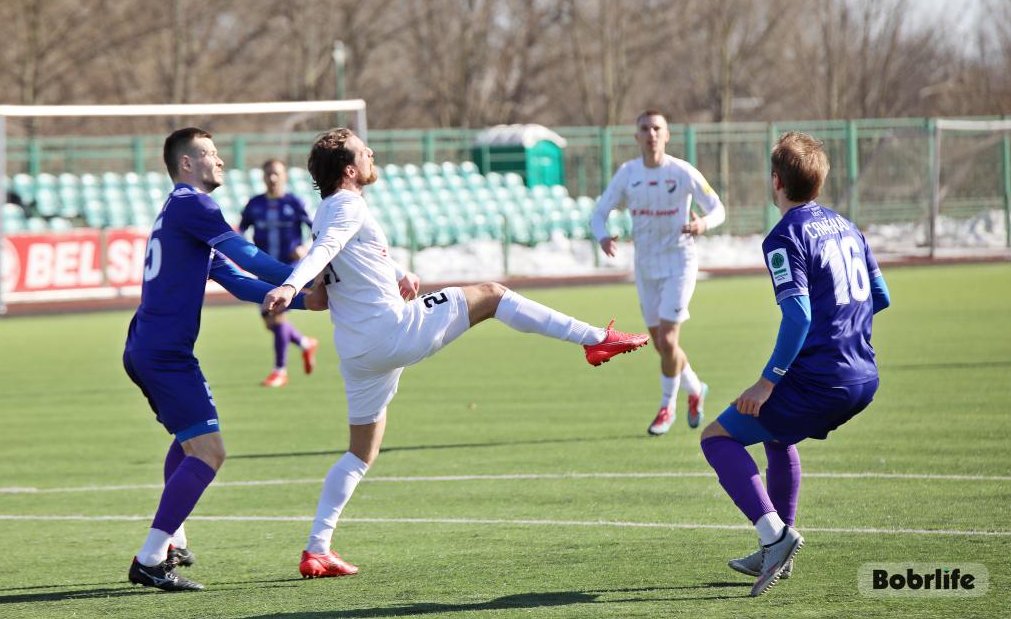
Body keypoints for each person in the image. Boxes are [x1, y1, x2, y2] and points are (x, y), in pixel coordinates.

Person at [262, 128, 651, 579]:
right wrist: (291, 284)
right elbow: (325, 250)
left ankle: (317, 548)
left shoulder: (327, 209)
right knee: (492, 294)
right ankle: (592, 337)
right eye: (361, 149)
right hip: (393, 331)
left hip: (357, 352)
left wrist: (396, 271)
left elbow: (340, 265)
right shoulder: (348, 205)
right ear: (350, 170)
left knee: (359, 454)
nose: (370, 151)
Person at [123, 127, 325, 592]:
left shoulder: (180, 213)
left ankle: (171, 540)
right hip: (164, 353)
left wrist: (301, 301)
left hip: (149, 346)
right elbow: (247, 254)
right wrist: (303, 279)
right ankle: (150, 559)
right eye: (209, 153)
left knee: (190, 443)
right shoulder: (195, 205)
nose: (220, 161)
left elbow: (235, 280)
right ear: (186, 164)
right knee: (211, 453)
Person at [699, 132, 890, 597]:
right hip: (864, 373)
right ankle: (775, 554)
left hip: (823, 379)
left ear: (775, 181)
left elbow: (799, 313)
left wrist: (768, 381)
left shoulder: (784, 236)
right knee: (777, 434)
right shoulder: (848, 226)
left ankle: (775, 537)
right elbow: (880, 298)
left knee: (716, 438)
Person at [591, 111, 725, 436]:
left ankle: (668, 408)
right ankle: (695, 389)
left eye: (657, 129)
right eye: (644, 129)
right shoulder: (628, 173)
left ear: (667, 135)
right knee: (662, 346)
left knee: (667, 340)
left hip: (679, 262)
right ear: (636, 137)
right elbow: (598, 213)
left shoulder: (681, 172)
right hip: (646, 267)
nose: (651, 134)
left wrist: (702, 224)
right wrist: (603, 236)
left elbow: (718, 208)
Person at [239, 159, 318, 388]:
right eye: (268, 174)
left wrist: (305, 248)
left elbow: (317, 229)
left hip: (288, 268)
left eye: (276, 174)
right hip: (263, 268)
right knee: (270, 322)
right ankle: (304, 343)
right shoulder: (255, 204)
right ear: (263, 177)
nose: (272, 178)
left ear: (284, 176)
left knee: (278, 316)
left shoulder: (294, 202)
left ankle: (280, 371)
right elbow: (241, 230)